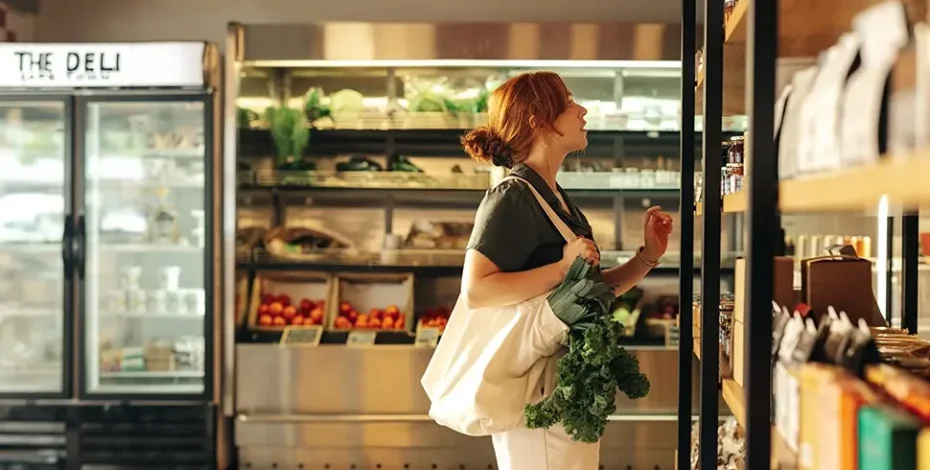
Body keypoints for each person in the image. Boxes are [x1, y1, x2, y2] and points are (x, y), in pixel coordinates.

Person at [460, 71, 674, 469]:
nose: (583, 110)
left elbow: (587, 291)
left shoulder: (553, 197)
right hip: (535, 388)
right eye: (570, 102)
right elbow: (477, 290)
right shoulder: (511, 195)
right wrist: (561, 267)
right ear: (538, 121)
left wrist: (646, 257)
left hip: (561, 384)